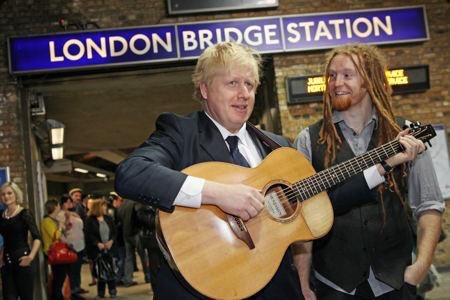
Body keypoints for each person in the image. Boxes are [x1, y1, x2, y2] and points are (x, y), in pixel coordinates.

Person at [115, 41, 309, 299]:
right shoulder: (180, 133)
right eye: (233, 83)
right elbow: (132, 173)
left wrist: (306, 285)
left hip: (277, 289)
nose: (244, 94)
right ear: (205, 89)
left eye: (250, 85)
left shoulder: (279, 147)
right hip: (202, 289)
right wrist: (217, 193)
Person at [294, 43, 444, 299]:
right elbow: (302, 222)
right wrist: (303, 284)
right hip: (334, 284)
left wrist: (418, 269)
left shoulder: (405, 135)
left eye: (347, 75)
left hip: (395, 282)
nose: (336, 82)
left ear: (369, 80)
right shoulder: (308, 140)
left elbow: (429, 205)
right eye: (331, 75)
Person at [0, 182, 41, 300]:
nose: (6, 196)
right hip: (6, 264)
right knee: (9, 297)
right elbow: (4, 239)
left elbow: (37, 238)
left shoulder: (25, 213)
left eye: (9, 193)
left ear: (16, 194)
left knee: (26, 297)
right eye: (3, 194)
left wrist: (30, 257)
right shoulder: (1, 216)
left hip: (23, 261)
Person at [85, 196, 117, 299]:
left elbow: (114, 232)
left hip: (109, 248)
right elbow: (89, 234)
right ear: (98, 207)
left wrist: (111, 241)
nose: (106, 208)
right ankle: (101, 293)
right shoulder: (90, 220)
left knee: (111, 271)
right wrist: (97, 243)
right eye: (104, 206)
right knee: (100, 273)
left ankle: (113, 292)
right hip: (98, 250)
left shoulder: (108, 218)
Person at [41, 199, 73, 300]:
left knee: (60, 279)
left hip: (59, 253)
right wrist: (59, 227)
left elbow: (62, 233)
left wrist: (65, 225)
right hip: (54, 254)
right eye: (58, 205)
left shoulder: (53, 220)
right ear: (54, 207)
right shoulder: (46, 221)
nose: (60, 207)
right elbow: (55, 236)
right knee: (58, 281)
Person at [58, 195, 88, 296]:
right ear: (62, 204)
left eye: (70, 202)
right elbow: (61, 230)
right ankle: (72, 289)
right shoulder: (60, 215)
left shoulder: (74, 213)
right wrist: (67, 219)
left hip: (80, 243)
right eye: (67, 202)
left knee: (78, 267)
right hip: (70, 245)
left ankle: (77, 286)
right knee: (72, 269)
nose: (69, 204)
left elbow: (81, 225)